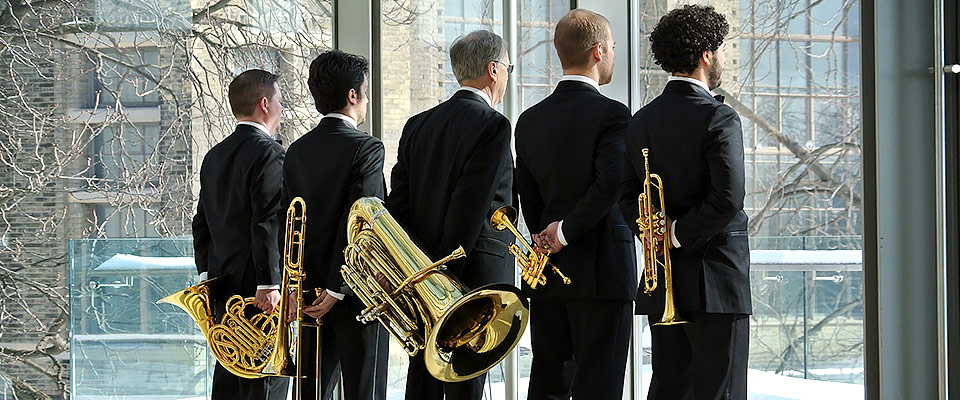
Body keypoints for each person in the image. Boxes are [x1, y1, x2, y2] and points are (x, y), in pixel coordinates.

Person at [618, 5, 751, 399]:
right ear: (706, 55)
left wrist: (655, 232)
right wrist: (674, 233)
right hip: (717, 284)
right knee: (720, 392)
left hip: (666, 286)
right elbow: (728, 198)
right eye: (722, 49)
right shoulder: (719, 117)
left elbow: (627, 196)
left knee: (670, 388)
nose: (723, 57)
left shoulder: (641, 120)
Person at [385, 29, 515, 400]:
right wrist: (444, 283)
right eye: (508, 67)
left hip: (419, 276)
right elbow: (470, 207)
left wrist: (417, 276)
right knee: (466, 384)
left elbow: (399, 207)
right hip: (467, 281)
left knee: (423, 377)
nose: (507, 75)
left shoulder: (418, 124)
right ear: (493, 70)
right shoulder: (493, 124)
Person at [513, 9, 636, 400]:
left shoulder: (529, 120)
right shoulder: (614, 114)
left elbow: (527, 193)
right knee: (599, 385)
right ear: (598, 51)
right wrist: (564, 233)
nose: (614, 54)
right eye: (613, 48)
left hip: (548, 271)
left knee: (549, 382)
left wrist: (547, 236)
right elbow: (610, 184)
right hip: (603, 273)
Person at [281, 50, 389, 400]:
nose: (367, 99)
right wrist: (336, 286)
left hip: (309, 292)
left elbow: (290, 224)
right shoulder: (367, 148)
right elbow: (362, 222)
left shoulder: (296, 151)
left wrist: (299, 288)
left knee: (311, 392)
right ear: (352, 95)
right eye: (366, 91)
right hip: (359, 293)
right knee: (364, 392)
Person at [193, 69, 289, 400]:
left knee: (229, 378)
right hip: (256, 291)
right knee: (263, 382)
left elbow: (201, 221)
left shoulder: (214, 156)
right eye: (279, 100)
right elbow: (267, 221)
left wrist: (207, 277)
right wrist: (269, 284)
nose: (281, 107)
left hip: (221, 289)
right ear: (265, 104)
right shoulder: (270, 153)